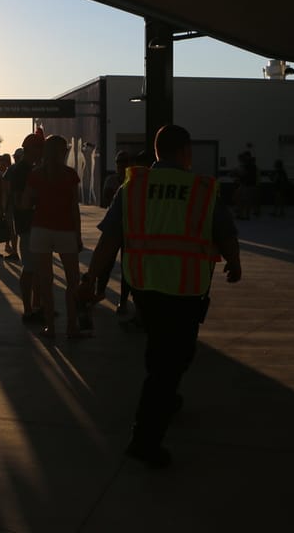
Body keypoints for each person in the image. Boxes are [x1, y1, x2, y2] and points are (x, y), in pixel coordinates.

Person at [78, 124, 242, 468]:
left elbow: (110, 238)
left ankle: (167, 397)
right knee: (172, 361)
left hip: (146, 287)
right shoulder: (201, 188)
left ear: (155, 152)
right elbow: (224, 231)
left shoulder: (133, 187)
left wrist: (93, 277)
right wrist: (234, 262)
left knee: (161, 350)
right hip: (185, 289)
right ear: (185, 152)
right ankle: (145, 439)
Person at [21, 134, 83, 339]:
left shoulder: (36, 174)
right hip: (65, 229)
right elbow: (74, 208)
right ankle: (72, 325)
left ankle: (50, 326)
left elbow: (25, 203)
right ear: (62, 151)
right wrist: (78, 235)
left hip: (41, 229)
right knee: (73, 280)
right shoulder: (70, 175)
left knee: (45, 281)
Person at [6, 134, 44, 322]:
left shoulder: (30, 168)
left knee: (36, 269)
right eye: (40, 149)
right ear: (32, 150)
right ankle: (29, 309)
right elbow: (20, 201)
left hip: (32, 224)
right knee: (30, 268)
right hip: (27, 224)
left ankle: (36, 307)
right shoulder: (22, 170)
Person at [100, 150, 134, 316]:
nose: (122, 165)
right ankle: (99, 291)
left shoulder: (134, 181)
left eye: (125, 162)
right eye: (120, 162)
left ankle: (123, 300)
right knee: (106, 262)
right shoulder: (112, 180)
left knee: (127, 267)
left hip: (130, 229)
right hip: (114, 227)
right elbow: (106, 200)